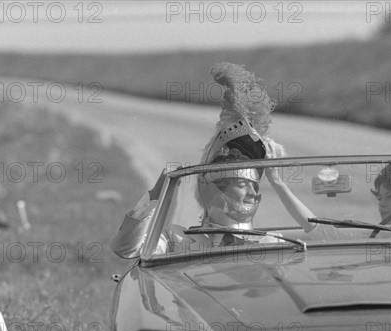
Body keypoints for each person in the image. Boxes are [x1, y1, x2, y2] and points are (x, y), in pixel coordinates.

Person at [111, 63, 316, 259]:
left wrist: (278, 183)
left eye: (255, 188)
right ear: (215, 192)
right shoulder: (177, 240)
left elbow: (326, 233)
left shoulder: (272, 244)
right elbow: (126, 248)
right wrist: (157, 193)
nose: (253, 193)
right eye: (244, 184)